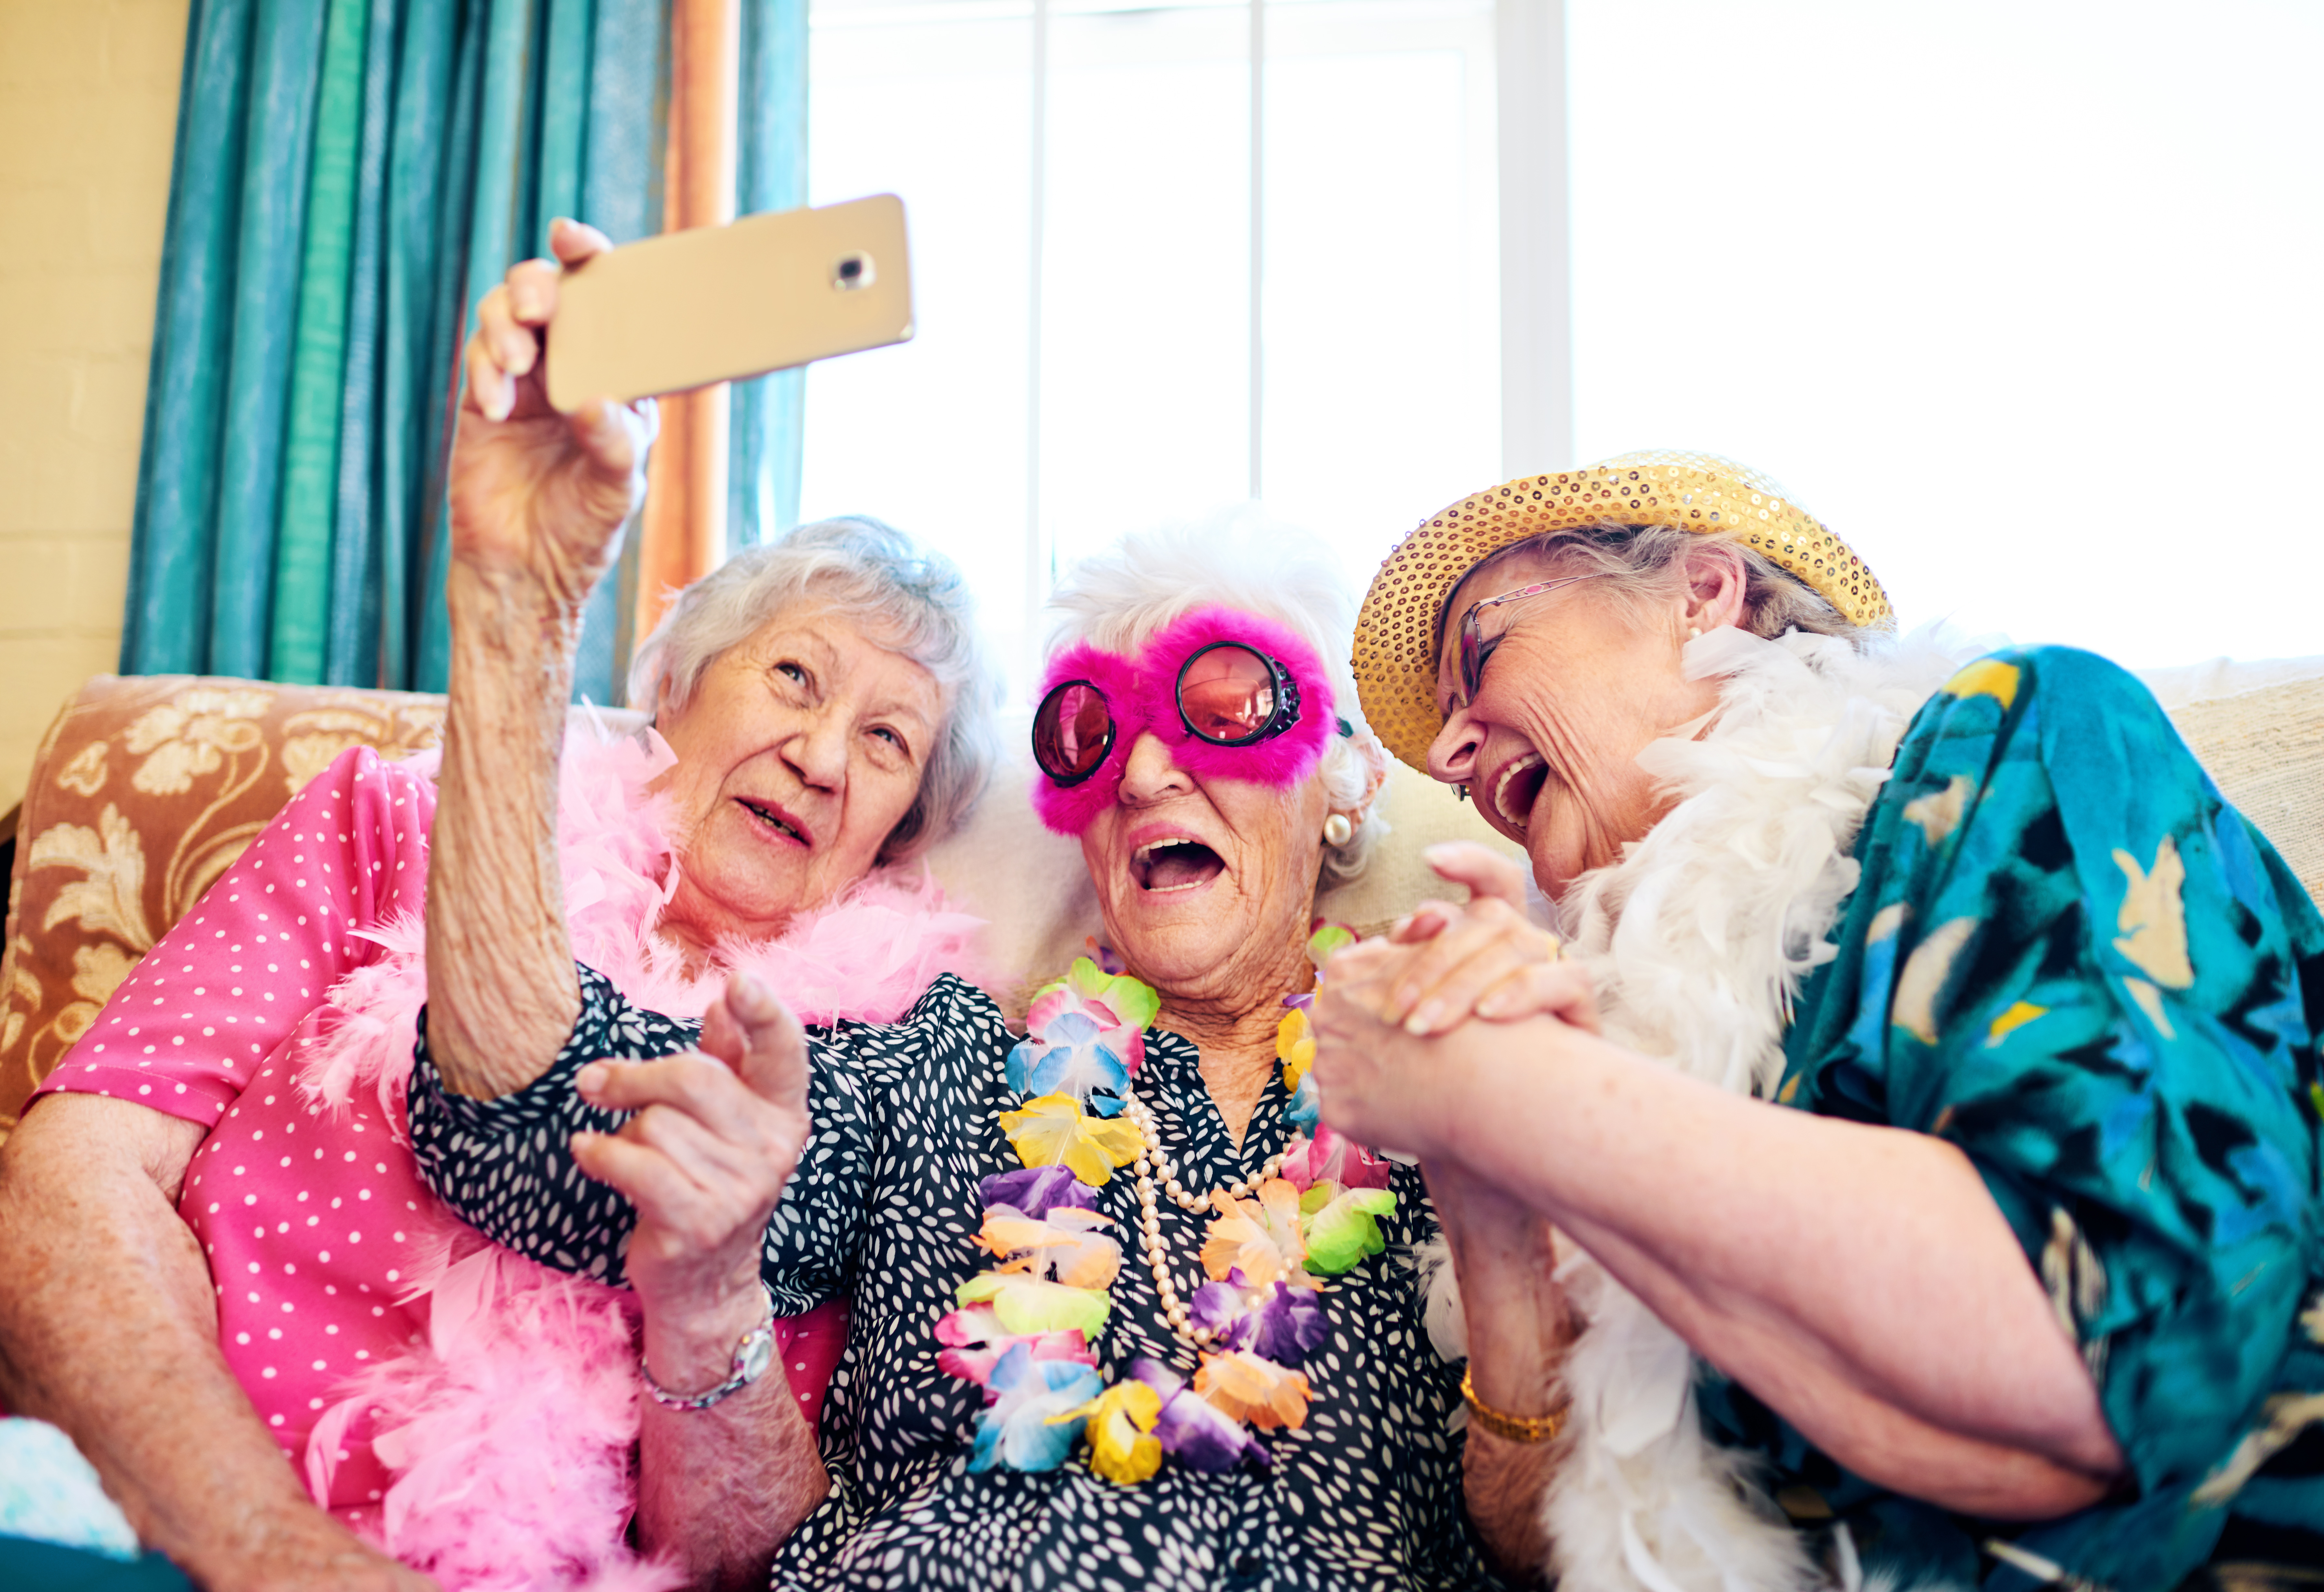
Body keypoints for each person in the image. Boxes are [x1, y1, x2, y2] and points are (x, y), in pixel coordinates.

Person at [0, 219, 996, 1592]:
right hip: (176, 1515)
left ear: (901, 827)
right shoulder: (383, 819)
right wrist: (260, 1545)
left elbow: (757, 1549)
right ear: (679, 684)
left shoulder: (886, 1069)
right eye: (794, 680)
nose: (824, 757)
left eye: (888, 742)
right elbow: (74, 1180)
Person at [400, 482, 1581, 1581]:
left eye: (1224, 704)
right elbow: (525, 1123)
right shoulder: (944, 1062)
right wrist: (514, 609)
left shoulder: (1456, 1062)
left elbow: (1563, 1548)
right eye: (1091, 734)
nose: (1144, 770)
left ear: (1345, 781)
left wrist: (1493, 1212)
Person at [1309, 450, 2324, 1590]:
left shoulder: (2019, 737)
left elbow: (2109, 1355)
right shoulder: (1601, 1032)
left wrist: (1523, 1101)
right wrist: (1489, 1202)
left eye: (1481, 657)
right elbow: (1551, 1549)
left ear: (1703, 595)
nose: (1447, 757)